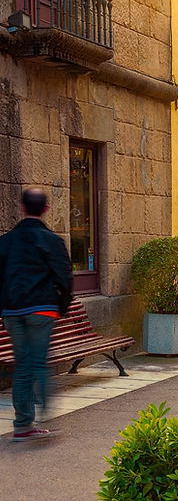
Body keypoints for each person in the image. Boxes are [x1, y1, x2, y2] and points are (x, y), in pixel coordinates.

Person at [0, 188, 72, 442]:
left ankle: (22, 425)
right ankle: (44, 412)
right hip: (41, 309)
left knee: (23, 366)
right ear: (45, 209)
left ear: (22, 208)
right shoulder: (51, 241)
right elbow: (65, 276)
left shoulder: (6, 241)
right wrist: (61, 307)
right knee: (38, 363)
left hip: (13, 312)